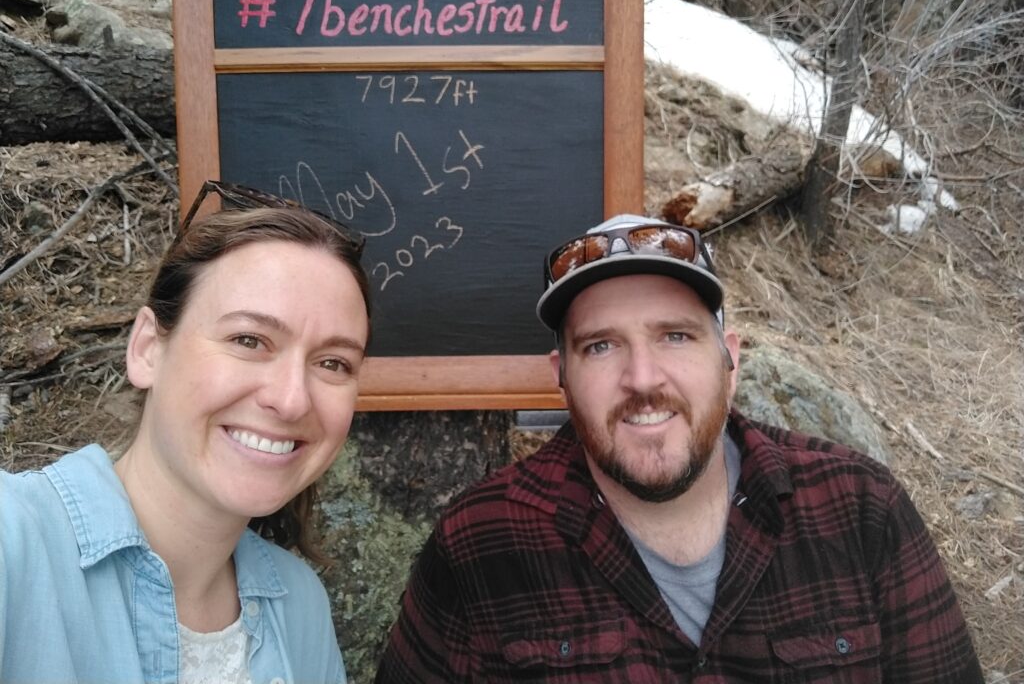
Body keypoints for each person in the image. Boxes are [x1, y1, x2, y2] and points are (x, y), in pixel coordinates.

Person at [376, 213, 983, 682]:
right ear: (561, 376)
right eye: (601, 347)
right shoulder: (480, 544)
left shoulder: (860, 510)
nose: (643, 379)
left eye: (675, 336)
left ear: (730, 360)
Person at [0, 181, 371, 684]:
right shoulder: (13, 544)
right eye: (249, 340)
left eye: (332, 362)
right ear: (148, 349)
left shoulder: (299, 603)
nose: (291, 399)